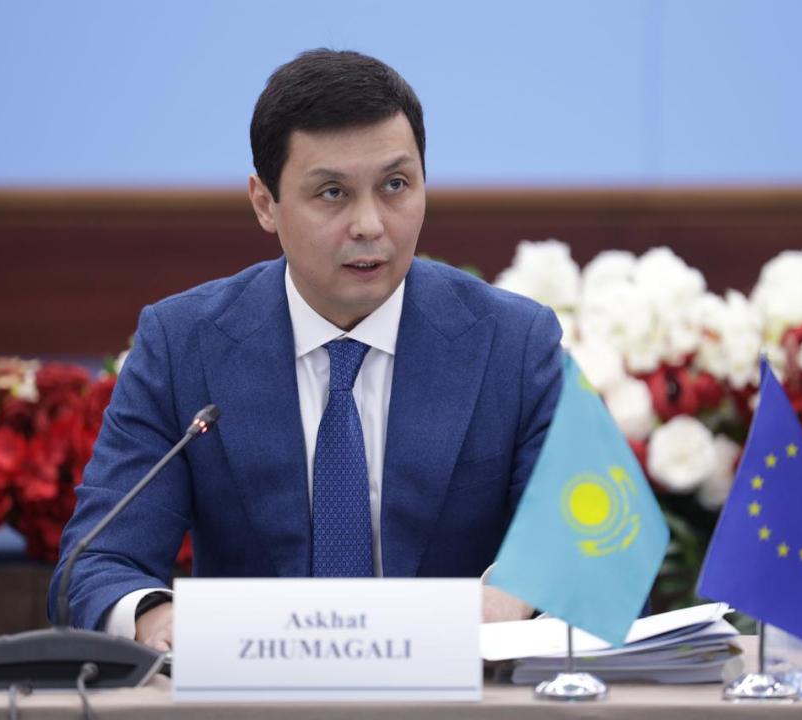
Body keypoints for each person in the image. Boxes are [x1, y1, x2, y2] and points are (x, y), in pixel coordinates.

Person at [47, 49, 563, 650]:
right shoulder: (182, 345)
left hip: (456, 683)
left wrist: (514, 595)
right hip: (252, 685)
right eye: (332, 193)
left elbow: (581, 534)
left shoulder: (513, 344)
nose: (369, 224)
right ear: (264, 203)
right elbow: (98, 560)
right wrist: (155, 619)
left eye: (395, 185)